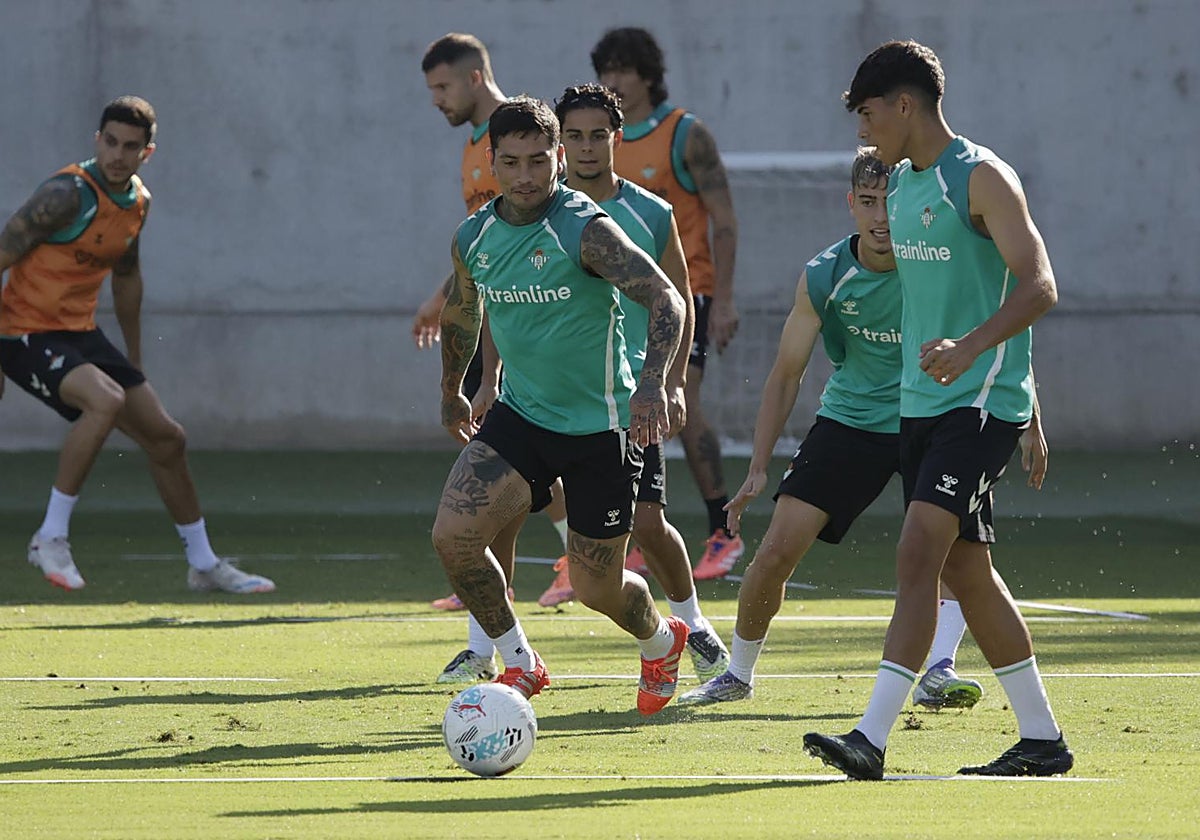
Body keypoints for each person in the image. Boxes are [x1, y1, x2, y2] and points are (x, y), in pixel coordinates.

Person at [678, 148, 1045, 709]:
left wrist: (1030, 419)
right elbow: (786, 373)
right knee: (775, 552)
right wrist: (757, 467)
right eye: (868, 202)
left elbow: (1002, 329)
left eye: (889, 203)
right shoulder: (825, 275)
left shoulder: (943, 263)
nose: (880, 217)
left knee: (956, 556)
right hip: (852, 421)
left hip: (944, 417)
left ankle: (939, 669)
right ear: (851, 203)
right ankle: (738, 674)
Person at [804, 40, 1073, 779]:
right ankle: (1042, 738)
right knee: (969, 574)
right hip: (919, 407)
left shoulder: (981, 177)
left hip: (980, 403)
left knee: (917, 552)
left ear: (904, 105)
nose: (863, 133)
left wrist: (976, 353)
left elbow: (1039, 285)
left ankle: (870, 737)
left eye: (868, 115)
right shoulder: (899, 186)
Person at [432, 95, 689, 714]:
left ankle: (662, 640)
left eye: (538, 161)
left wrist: (653, 383)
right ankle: (521, 663)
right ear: (491, 159)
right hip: (521, 417)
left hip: (601, 428)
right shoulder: (475, 236)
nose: (525, 176)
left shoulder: (584, 229)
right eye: (511, 162)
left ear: (558, 158)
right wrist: (452, 390)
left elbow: (666, 299)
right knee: (454, 538)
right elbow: (462, 312)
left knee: (595, 587)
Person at [0, 96, 274, 595]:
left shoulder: (137, 202)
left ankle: (203, 564)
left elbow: (126, 278)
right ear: (97, 140)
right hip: (22, 330)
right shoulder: (64, 194)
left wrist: (134, 358)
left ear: (147, 153)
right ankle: (50, 537)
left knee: (167, 439)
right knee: (104, 401)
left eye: (130, 146)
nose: (117, 155)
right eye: (110, 142)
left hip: (79, 332)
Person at [511, 83, 728, 680]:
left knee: (648, 522)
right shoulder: (534, 211)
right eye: (574, 136)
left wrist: (673, 381)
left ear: (617, 137)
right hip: (545, 396)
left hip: (626, 396)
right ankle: (493, 646)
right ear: (559, 143)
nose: (586, 147)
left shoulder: (652, 212)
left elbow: (680, 297)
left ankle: (692, 624)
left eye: (597, 135)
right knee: (497, 513)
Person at [416, 32, 572, 625]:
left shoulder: (523, 138)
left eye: (442, 86)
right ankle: (485, 572)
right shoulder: (475, 147)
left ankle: (574, 555)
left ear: (474, 78)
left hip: (535, 320)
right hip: (495, 315)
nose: (436, 99)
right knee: (496, 449)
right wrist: (445, 297)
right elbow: (485, 242)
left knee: (522, 448)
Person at [591, 27, 743, 580]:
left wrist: (722, 300)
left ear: (649, 75)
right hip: (614, 298)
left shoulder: (684, 134)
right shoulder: (596, 141)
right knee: (618, 408)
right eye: (606, 70)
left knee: (682, 401)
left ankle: (723, 531)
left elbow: (724, 220)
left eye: (623, 70)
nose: (614, 81)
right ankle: (641, 530)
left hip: (684, 292)